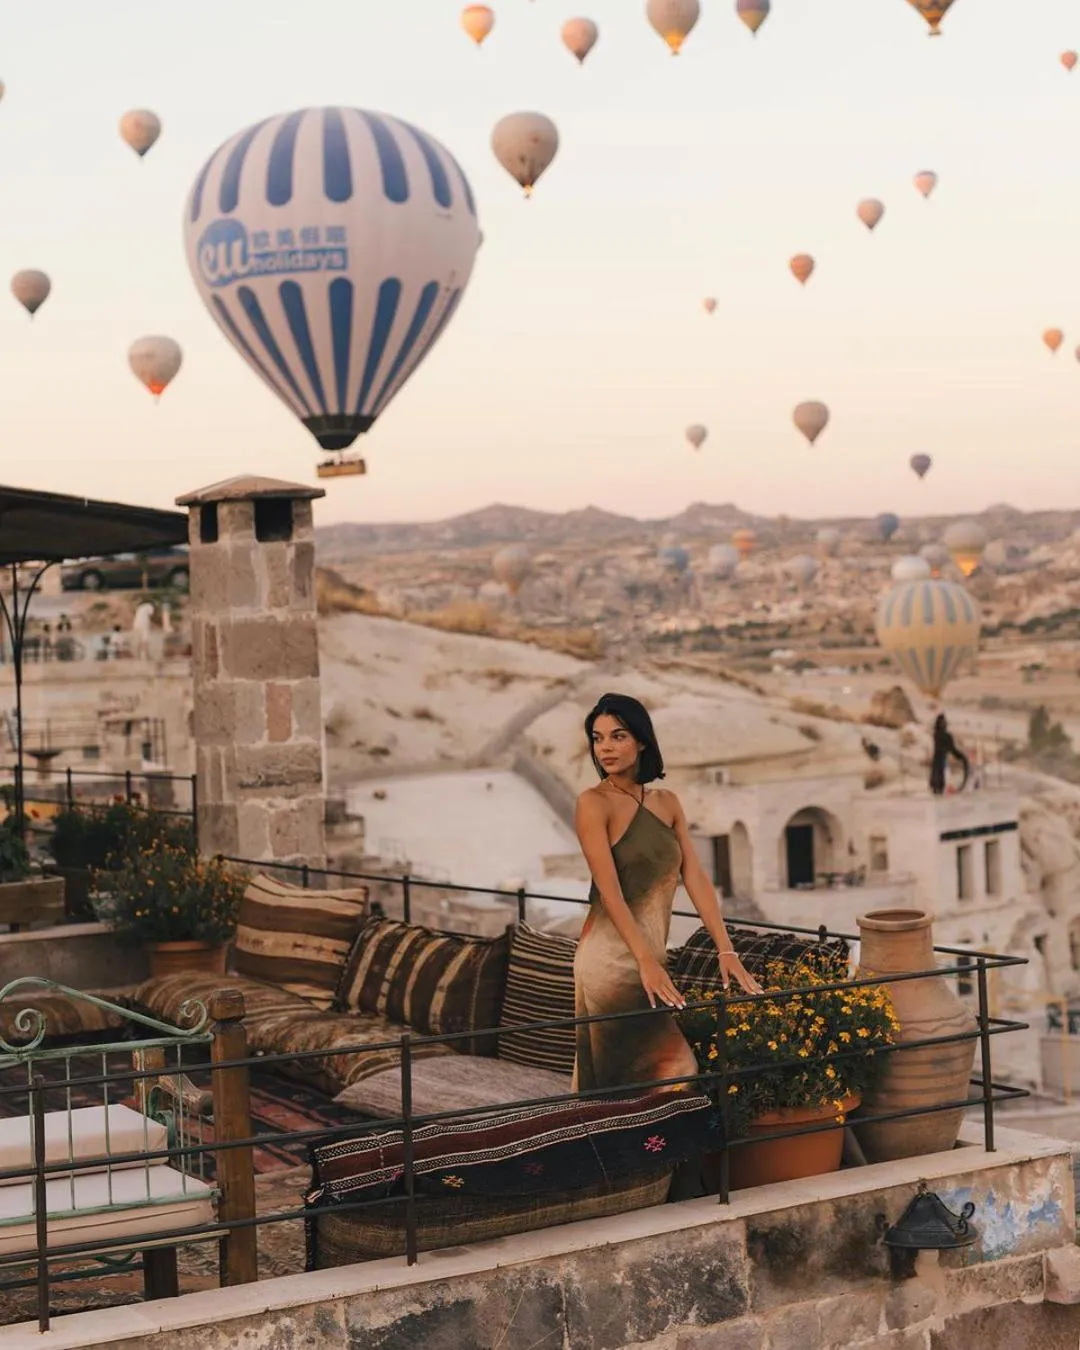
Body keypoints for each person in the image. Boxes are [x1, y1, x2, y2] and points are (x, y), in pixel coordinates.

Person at [572, 692, 761, 1096]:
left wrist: (726, 950)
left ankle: (643, 1157)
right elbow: (610, 894)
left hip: (648, 958)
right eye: (597, 737)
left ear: (641, 740)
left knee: (635, 1082)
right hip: (610, 960)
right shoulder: (593, 804)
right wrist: (645, 962)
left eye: (617, 736)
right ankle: (643, 1156)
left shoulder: (667, 802)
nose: (604, 746)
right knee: (670, 1069)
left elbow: (694, 877)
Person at [930, 714, 969, 795]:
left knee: (938, 790)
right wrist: (962, 757)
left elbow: (950, 749)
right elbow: (951, 749)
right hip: (941, 765)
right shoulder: (943, 736)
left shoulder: (937, 735)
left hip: (938, 765)